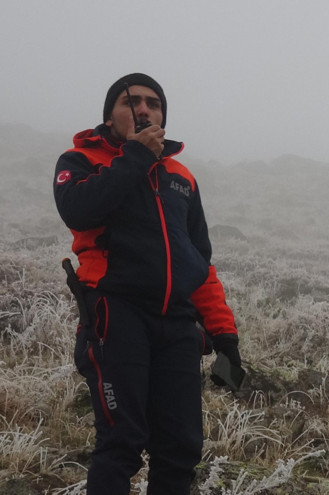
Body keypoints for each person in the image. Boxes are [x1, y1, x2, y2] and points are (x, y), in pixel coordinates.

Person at [52, 73, 242, 494]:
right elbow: (80, 210)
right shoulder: (79, 162)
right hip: (115, 315)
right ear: (109, 116)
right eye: (131, 101)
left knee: (181, 448)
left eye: (153, 104)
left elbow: (198, 263)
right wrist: (135, 157)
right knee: (122, 441)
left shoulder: (182, 178)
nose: (143, 108)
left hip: (176, 326)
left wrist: (223, 332)